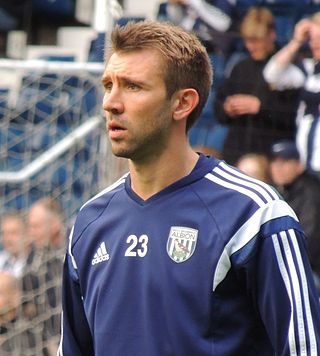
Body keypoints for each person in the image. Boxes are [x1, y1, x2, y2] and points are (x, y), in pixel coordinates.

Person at [58, 20, 320, 355]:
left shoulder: (254, 214)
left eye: (133, 87)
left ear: (182, 103)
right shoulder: (89, 222)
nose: (111, 102)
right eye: (108, 85)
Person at [214, 7, 300, 165]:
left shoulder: (288, 69)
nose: (250, 46)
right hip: (235, 152)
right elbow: (218, 107)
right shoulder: (240, 68)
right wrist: (227, 108)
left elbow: (294, 115)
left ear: (271, 35)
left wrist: (261, 107)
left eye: (256, 40)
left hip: (269, 157)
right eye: (247, 40)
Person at [263, 12, 320, 177]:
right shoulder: (309, 70)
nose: (314, 44)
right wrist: (297, 41)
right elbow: (272, 74)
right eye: (312, 39)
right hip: (306, 168)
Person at [270, 140, 320, 293]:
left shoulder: (310, 192)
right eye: (274, 162)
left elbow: (309, 240)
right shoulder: (277, 190)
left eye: (285, 162)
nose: (278, 168)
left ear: (298, 166)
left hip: (307, 270)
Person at [22, 197, 64, 355]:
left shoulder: (77, 245)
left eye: (36, 227)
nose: (31, 234)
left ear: (55, 225)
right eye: (30, 227)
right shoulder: (33, 259)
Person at [0, 212, 28, 278]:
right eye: (5, 233)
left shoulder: (32, 263)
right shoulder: (1, 258)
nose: (8, 239)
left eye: (14, 233)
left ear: (26, 234)